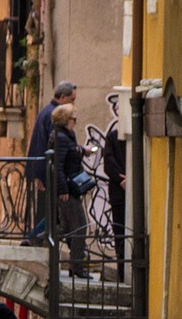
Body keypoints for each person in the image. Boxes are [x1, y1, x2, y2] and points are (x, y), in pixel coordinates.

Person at [24, 79, 76, 241]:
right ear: (62, 97)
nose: (73, 104)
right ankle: (31, 238)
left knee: (55, 214)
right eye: (71, 100)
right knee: (55, 214)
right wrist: (41, 175)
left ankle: (33, 239)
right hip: (50, 174)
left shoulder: (47, 111)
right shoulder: (53, 116)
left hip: (46, 172)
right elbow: (47, 147)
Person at [50, 104, 92, 279]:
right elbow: (57, 166)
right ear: (65, 120)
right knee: (81, 227)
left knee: (67, 227)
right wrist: (62, 189)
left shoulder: (67, 136)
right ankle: (77, 266)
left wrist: (82, 150)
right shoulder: (60, 137)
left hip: (69, 188)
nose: (75, 122)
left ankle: (40, 238)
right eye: (73, 118)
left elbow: (70, 153)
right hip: (66, 190)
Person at [102, 122, 126, 278]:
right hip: (119, 194)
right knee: (120, 233)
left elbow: (109, 163)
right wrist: (123, 179)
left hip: (118, 192)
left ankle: (124, 271)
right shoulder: (113, 137)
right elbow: (108, 164)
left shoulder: (112, 137)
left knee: (122, 234)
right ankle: (122, 271)